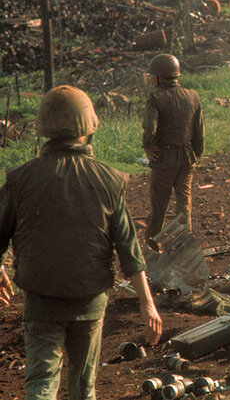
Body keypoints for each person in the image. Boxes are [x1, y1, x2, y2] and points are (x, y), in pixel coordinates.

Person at [0, 85, 162, 400]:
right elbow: (129, 248)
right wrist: (147, 303)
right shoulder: (110, 180)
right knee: (83, 388)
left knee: (40, 384)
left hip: (41, 301)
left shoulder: (20, 179)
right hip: (89, 302)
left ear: (44, 129)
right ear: (88, 129)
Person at [142, 53, 204, 251]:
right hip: (187, 159)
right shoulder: (193, 96)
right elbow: (199, 131)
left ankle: (153, 248)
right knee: (183, 206)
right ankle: (184, 247)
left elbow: (149, 128)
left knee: (158, 207)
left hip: (164, 160)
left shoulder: (155, 98)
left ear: (159, 77)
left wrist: (149, 148)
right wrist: (196, 155)